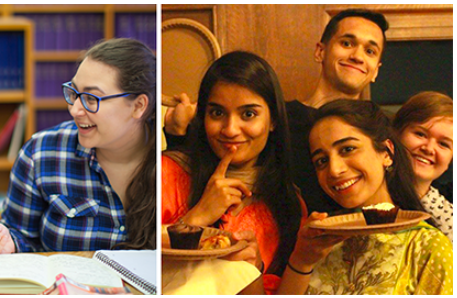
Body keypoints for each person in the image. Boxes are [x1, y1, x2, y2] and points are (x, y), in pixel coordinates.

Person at [164, 9, 390, 214]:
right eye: (347, 43)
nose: (358, 56)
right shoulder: (275, 120)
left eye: (370, 51)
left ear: (377, 71)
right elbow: (202, 170)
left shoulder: (381, 130)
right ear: (320, 51)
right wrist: (177, 132)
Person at [0, 38, 157, 254]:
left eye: (91, 98)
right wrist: (7, 243)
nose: (75, 110)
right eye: (74, 93)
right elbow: (20, 236)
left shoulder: (164, 157)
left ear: (138, 106)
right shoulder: (41, 153)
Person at [162, 51, 305, 294]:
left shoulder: (288, 202)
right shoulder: (168, 173)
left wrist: (255, 269)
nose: (230, 129)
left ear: (273, 121)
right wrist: (198, 217)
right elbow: (127, 258)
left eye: (248, 114)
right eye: (217, 113)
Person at [277, 100, 452, 295]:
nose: (334, 170)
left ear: (387, 152)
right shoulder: (319, 241)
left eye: (347, 149)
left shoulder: (428, 247)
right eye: (322, 161)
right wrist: (301, 260)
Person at [393, 91, 452, 240]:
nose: (429, 148)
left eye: (443, 144)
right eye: (420, 134)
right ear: (396, 133)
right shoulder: (368, 197)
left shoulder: (451, 220)